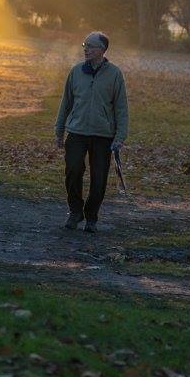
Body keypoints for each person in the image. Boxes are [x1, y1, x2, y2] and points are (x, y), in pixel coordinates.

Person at [54, 31, 128, 232]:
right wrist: (59, 130)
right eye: (85, 45)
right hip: (76, 132)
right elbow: (66, 103)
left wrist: (120, 136)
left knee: (99, 178)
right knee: (73, 171)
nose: (86, 49)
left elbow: (121, 108)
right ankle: (75, 212)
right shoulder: (76, 72)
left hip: (103, 135)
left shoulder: (115, 74)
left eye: (91, 46)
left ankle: (91, 216)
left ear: (102, 50)